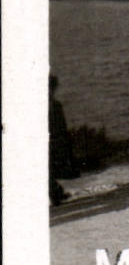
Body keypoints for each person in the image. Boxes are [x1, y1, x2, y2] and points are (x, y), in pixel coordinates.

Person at [49, 74, 80, 206]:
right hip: (55, 141)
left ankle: (55, 193)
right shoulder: (55, 105)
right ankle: (55, 193)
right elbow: (62, 127)